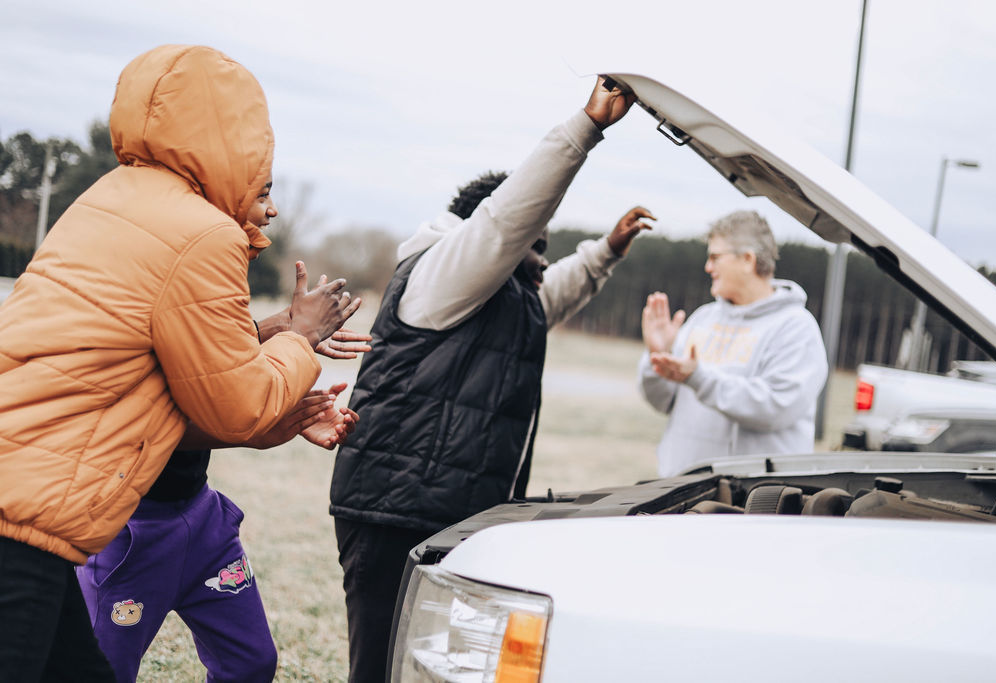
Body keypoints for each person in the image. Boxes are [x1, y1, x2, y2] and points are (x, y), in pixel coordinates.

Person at [0, 45, 352, 680]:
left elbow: (144, 348)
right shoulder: (205, 235)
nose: (269, 205)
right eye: (264, 179)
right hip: (22, 519)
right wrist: (298, 339)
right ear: (236, 146)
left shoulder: (111, 197)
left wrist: (274, 331)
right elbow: (236, 405)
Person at [328, 76, 652, 682]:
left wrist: (604, 251)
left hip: (449, 509)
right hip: (394, 509)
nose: (544, 258)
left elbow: (547, 298)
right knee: (379, 669)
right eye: (539, 243)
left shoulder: (508, 297)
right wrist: (584, 131)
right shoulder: (443, 269)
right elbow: (505, 222)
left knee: (433, 669)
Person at [75, 184, 372, 683]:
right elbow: (152, 407)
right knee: (101, 670)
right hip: (131, 528)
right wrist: (271, 404)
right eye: (262, 192)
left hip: (201, 518)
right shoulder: (153, 257)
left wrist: (280, 332)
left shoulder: (213, 264)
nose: (272, 210)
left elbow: (207, 362)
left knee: (251, 663)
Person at [638, 210, 828, 477]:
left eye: (715, 257)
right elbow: (662, 401)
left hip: (750, 505)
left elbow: (775, 407)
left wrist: (699, 378)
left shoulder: (796, 328)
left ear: (747, 259)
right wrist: (657, 356)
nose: (708, 267)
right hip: (679, 494)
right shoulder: (703, 318)